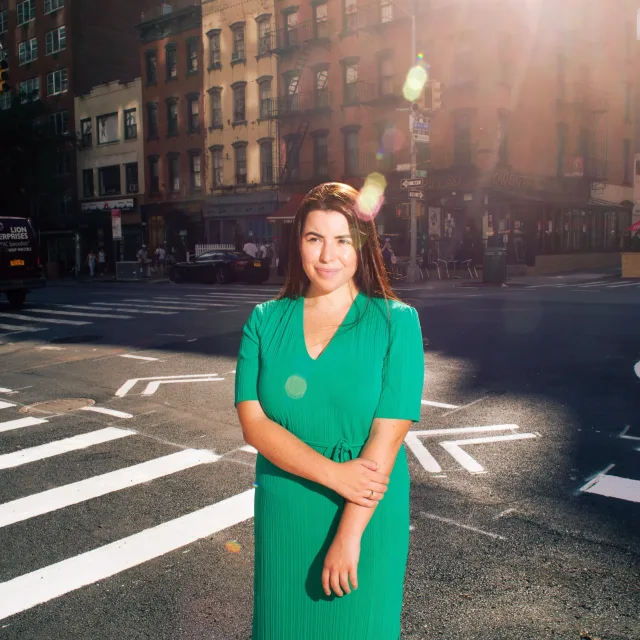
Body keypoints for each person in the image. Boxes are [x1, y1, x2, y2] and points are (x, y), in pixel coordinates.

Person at [235, 182, 425, 639]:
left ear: (363, 246)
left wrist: (348, 534)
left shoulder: (397, 322)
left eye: (342, 240)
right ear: (297, 243)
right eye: (313, 238)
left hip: (366, 511)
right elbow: (253, 423)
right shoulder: (264, 320)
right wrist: (335, 474)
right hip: (286, 507)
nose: (327, 255)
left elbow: (388, 436)